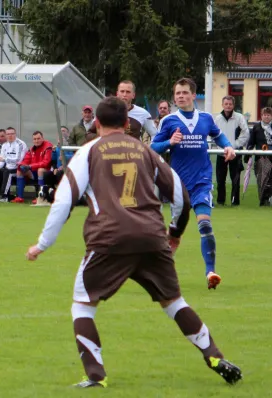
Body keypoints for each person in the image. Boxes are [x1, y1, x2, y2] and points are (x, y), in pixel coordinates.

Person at [26, 96, 242, 388]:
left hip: (109, 239)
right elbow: (181, 197)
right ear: (128, 124)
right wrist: (174, 234)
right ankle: (213, 355)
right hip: (153, 238)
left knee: (82, 306)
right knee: (174, 302)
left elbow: (63, 199)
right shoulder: (146, 151)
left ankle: (95, 375)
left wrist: (42, 243)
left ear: (97, 123)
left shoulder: (89, 151)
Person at [151, 78, 236, 290]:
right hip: (178, 185)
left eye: (184, 93)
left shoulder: (206, 118)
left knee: (205, 224)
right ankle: (161, 272)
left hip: (202, 181)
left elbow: (219, 136)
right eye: (177, 93)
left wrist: (228, 147)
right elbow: (153, 148)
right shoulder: (169, 121)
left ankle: (211, 272)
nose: (180, 96)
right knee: (175, 234)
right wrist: (170, 142)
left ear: (192, 95)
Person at [88, 81, 157, 142]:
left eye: (128, 92)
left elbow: (154, 134)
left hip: (133, 154)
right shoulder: (106, 110)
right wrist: (104, 139)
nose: (124, 95)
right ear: (117, 94)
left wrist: (150, 149)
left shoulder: (143, 113)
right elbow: (89, 134)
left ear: (133, 95)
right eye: (122, 91)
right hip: (110, 153)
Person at [213, 96, 249, 206]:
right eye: (226, 104)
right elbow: (214, 134)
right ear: (222, 105)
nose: (228, 106)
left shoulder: (239, 118)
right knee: (220, 179)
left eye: (230, 104)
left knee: (235, 179)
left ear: (233, 105)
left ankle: (235, 202)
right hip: (221, 153)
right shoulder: (217, 118)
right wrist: (223, 146)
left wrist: (234, 146)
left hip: (235, 153)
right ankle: (220, 201)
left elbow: (245, 133)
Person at [12, 131, 53, 203]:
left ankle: (40, 198)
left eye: (38, 138)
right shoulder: (31, 149)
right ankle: (19, 197)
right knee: (20, 170)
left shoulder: (48, 147)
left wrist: (30, 166)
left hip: (47, 172)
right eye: (35, 139)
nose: (36, 141)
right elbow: (25, 160)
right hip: (34, 171)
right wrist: (21, 166)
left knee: (40, 170)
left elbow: (46, 163)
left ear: (42, 138)